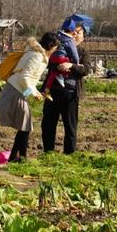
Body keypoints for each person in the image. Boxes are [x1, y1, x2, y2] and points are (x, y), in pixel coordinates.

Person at [0, 32, 61, 162]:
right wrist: (32, 93)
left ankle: (14, 157)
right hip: (16, 90)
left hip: (17, 89)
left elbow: (27, 78)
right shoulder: (37, 56)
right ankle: (21, 158)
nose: (56, 50)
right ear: (51, 46)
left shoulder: (36, 54)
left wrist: (36, 92)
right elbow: (25, 77)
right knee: (26, 126)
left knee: (25, 126)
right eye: (55, 47)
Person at [41, 16, 92, 154]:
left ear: (83, 37)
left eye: (79, 32)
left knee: (70, 126)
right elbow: (49, 62)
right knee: (48, 125)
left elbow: (85, 69)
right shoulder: (58, 47)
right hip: (52, 91)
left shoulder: (82, 52)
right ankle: (48, 153)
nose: (75, 34)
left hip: (71, 93)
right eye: (74, 31)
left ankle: (69, 154)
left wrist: (71, 65)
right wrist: (58, 66)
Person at [42, 20, 80, 96]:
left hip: (52, 57)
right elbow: (74, 53)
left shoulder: (58, 36)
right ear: (73, 31)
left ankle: (46, 89)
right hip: (61, 59)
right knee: (68, 64)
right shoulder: (69, 40)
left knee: (53, 73)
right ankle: (62, 76)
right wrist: (77, 62)